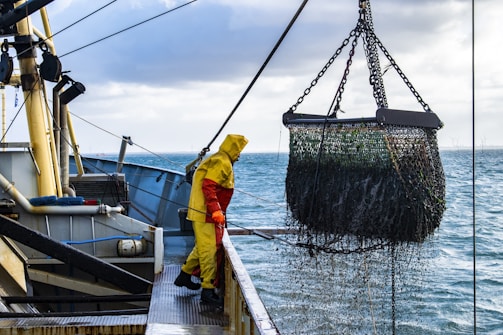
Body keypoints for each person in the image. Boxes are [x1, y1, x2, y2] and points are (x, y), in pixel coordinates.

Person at [174, 134, 248, 306]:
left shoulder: (219, 158)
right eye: (238, 151)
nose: (239, 155)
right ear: (232, 149)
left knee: (202, 247)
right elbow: (208, 186)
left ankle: (184, 275)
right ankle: (207, 291)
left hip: (201, 212)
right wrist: (215, 210)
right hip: (205, 214)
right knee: (209, 251)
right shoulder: (222, 162)